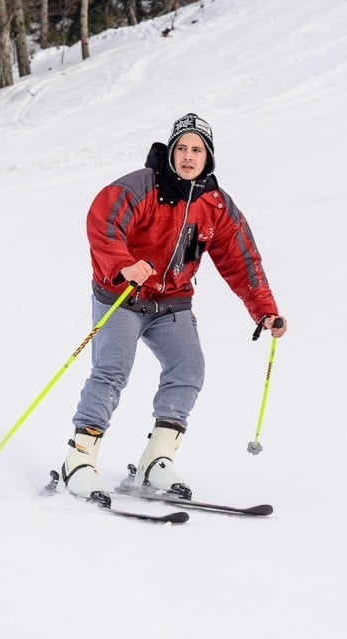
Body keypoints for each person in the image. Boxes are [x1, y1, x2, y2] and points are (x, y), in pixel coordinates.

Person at [61, 113, 287, 500]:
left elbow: (241, 259)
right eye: (182, 148)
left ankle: (157, 458)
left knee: (188, 368)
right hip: (124, 295)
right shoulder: (139, 187)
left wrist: (264, 309)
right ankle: (79, 458)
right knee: (112, 370)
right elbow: (104, 224)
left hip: (172, 301)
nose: (188, 156)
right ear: (171, 152)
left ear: (208, 157)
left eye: (196, 150)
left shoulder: (215, 204)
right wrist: (123, 266)